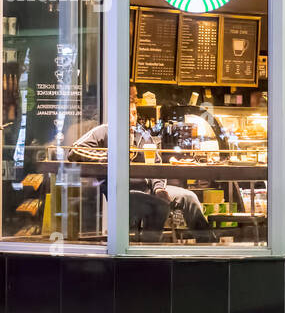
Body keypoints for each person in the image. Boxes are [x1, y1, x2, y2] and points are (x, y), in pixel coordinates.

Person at [69, 104, 215, 242]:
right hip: (122, 191)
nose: (131, 118)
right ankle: (149, 249)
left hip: (149, 188)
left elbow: (156, 164)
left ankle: (207, 244)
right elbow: (74, 151)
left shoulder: (143, 135)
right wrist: (110, 157)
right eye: (127, 113)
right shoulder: (104, 131)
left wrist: (159, 188)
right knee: (159, 205)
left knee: (189, 197)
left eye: (134, 113)